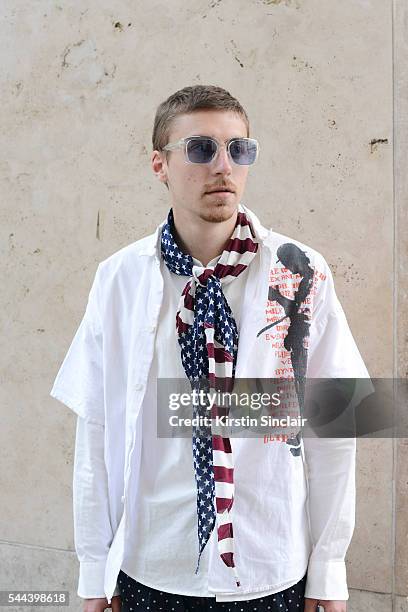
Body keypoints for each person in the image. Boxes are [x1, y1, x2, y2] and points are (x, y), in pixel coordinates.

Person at [50, 85, 371, 612]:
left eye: (239, 149)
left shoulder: (300, 273)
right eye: (201, 149)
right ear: (161, 165)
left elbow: (335, 425)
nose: (224, 166)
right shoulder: (120, 280)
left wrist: (329, 569)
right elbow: (97, 429)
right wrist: (93, 568)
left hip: (269, 565)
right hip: (152, 564)